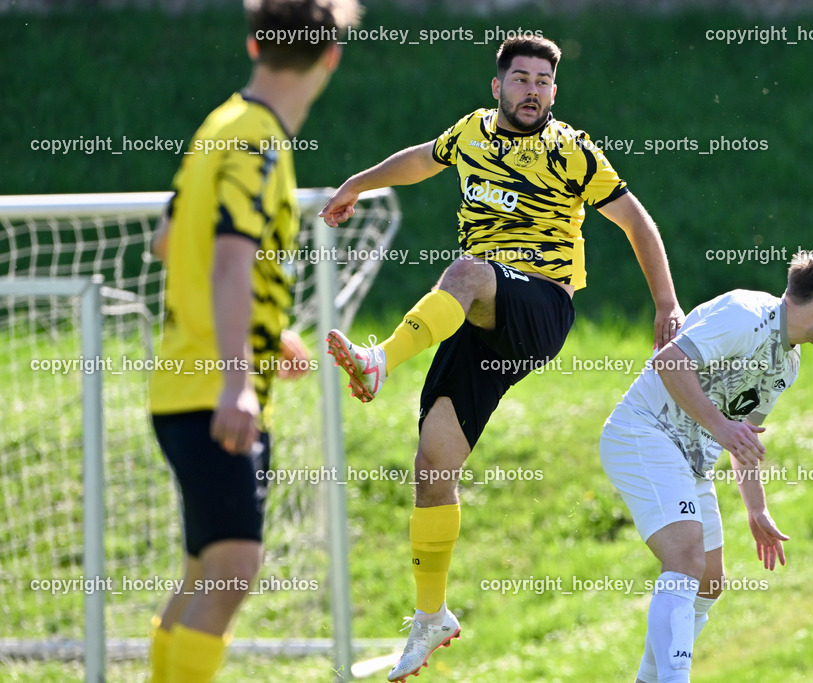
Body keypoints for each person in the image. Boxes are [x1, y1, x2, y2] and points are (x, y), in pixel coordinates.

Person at [319, 35, 685, 682]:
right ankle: (430, 614)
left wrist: (666, 304)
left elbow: (637, 222)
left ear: (555, 91)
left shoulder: (572, 151)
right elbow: (421, 160)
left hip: (540, 305)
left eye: (543, 81)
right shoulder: (471, 134)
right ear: (498, 87)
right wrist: (357, 182)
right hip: (479, 314)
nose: (532, 91)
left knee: (466, 272)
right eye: (521, 79)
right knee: (433, 464)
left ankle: (379, 360)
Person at [146, 1, 361, 680]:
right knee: (234, 567)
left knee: (205, 570)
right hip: (214, 390)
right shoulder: (258, 141)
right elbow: (231, 260)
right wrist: (239, 378)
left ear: (254, 44)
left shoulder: (221, 124)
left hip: (184, 383)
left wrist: (268, 332)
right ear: (331, 57)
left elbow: (168, 239)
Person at [599, 248, 813, 683]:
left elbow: (743, 437)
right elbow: (669, 362)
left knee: (709, 583)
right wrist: (720, 427)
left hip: (689, 462)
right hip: (643, 433)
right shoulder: (745, 315)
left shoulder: (788, 362)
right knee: (686, 557)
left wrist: (756, 508)